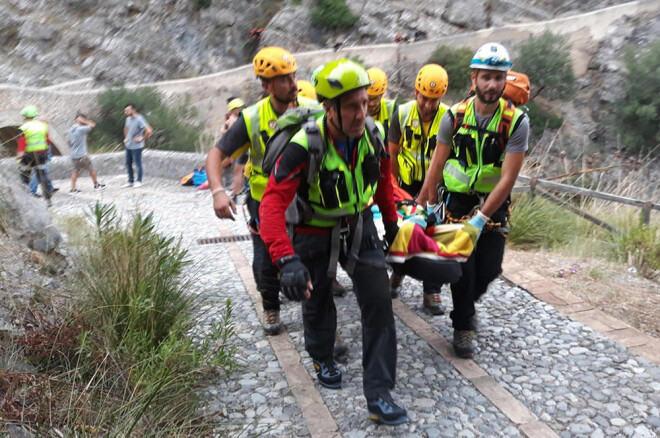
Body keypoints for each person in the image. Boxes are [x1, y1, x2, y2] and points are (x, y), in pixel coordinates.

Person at [259, 59, 407, 426]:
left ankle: (379, 394)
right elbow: (272, 203)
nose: (362, 113)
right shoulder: (304, 145)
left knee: (378, 304)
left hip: (358, 226)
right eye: (352, 106)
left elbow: (384, 184)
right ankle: (322, 356)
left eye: (365, 103)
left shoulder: (372, 136)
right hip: (312, 231)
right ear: (329, 108)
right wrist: (286, 260)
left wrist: (392, 228)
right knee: (319, 298)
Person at [417, 42, 529, 358]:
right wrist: (426, 205)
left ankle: (466, 305)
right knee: (461, 270)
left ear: (505, 80)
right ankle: (463, 325)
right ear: (474, 78)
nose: (492, 84)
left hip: (493, 205)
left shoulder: (516, 122)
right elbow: (436, 166)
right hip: (456, 204)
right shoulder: (454, 117)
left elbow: (508, 177)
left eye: (498, 78)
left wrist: (481, 219)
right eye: (486, 77)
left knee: (490, 269)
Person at [206, 46, 319, 336]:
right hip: (264, 200)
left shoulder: (311, 109)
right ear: (266, 85)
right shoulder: (253, 118)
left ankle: (319, 314)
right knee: (265, 260)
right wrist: (219, 191)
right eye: (284, 79)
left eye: (294, 76)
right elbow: (217, 155)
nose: (293, 84)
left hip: (306, 197)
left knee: (312, 256)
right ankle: (271, 305)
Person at [387, 63, 450, 314]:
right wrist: (393, 188)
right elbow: (392, 153)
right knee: (404, 234)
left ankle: (432, 291)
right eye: (425, 98)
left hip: (435, 187)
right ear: (416, 93)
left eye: (434, 100)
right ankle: (399, 271)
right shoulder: (401, 114)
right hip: (406, 185)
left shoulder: (449, 117)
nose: (429, 105)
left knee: (435, 236)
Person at [16, 105, 53, 203]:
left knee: (24, 175)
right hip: (41, 155)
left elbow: (21, 146)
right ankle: (48, 199)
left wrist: (19, 159)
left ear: (25, 116)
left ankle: (25, 198)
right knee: (42, 175)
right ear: (34, 116)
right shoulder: (43, 126)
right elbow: (48, 141)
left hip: (28, 156)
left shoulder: (23, 128)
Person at [68, 113, 105, 193]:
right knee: (91, 169)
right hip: (82, 155)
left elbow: (69, 143)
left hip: (74, 154)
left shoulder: (71, 130)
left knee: (75, 171)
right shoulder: (81, 129)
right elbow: (92, 125)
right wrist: (85, 121)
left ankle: (73, 189)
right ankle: (96, 185)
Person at [220, 97, 247, 201]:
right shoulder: (246, 116)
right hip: (247, 148)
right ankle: (239, 191)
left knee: (238, 171)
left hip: (241, 148)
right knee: (241, 170)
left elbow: (232, 134)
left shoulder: (234, 119)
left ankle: (235, 194)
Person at [122, 103, 152, 188]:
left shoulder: (139, 119)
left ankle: (139, 181)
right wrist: (126, 138)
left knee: (138, 164)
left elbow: (149, 130)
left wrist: (142, 138)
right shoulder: (128, 119)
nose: (125, 112)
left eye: (127, 110)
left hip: (137, 147)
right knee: (128, 163)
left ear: (133, 110)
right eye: (125, 110)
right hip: (129, 145)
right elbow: (125, 128)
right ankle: (130, 181)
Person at [366, 68, 398, 141]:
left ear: (382, 95)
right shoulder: (355, 112)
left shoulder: (392, 109)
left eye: (375, 98)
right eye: (367, 98)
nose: (371, 103)